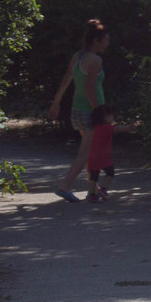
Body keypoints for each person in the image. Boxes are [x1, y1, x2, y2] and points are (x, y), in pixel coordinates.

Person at [46, 19, 110, 202]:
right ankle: (65, 186)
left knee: (90, 150)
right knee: (86, 153)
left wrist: (56, 103)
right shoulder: (96, 60)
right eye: (106, 39)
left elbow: (66, 80)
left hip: (78, 110)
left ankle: (93, 188)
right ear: (96, 41)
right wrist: (100, 111)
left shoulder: (78, 56)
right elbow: (90, 88)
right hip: (90, 112)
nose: (108, 43)